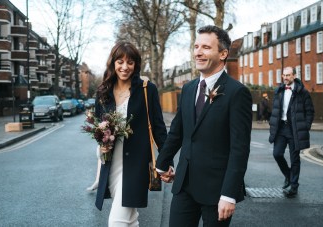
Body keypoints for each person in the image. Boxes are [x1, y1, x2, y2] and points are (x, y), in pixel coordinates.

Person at [156, 25, 252, 227]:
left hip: (217, 192)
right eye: (196, 46)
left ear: (223, 54)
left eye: (206, 47)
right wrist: (162, 164)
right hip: (184, 185)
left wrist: (229, 194)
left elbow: (239, 149)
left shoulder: (237, 93)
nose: (198, 52)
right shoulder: (189, 88)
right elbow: (177, 131)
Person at [94, 41, 167, 226]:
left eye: (130, 62)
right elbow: (98, 128)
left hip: (136, 166)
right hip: (111, 164)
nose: (125, 67)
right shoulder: (103, 92)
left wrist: (167, 161)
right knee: (130, 220)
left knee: (117, 221)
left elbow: (158, 127)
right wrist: (101, 146)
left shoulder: (146, 89)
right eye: (120, 61)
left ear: (136, 65)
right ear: (113, 63)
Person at [269, 66, 314, 198]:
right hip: (281, 128)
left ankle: (293, 186)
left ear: (294, 76)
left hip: (295, 129)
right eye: (284, 75)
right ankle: (288, 176)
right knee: (277, 154)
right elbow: (276, 111)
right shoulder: (279, 91)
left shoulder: (302, 92)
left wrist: (305, 127)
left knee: (295, 158)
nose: (285, 77)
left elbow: (310, 111)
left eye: (288, 75)